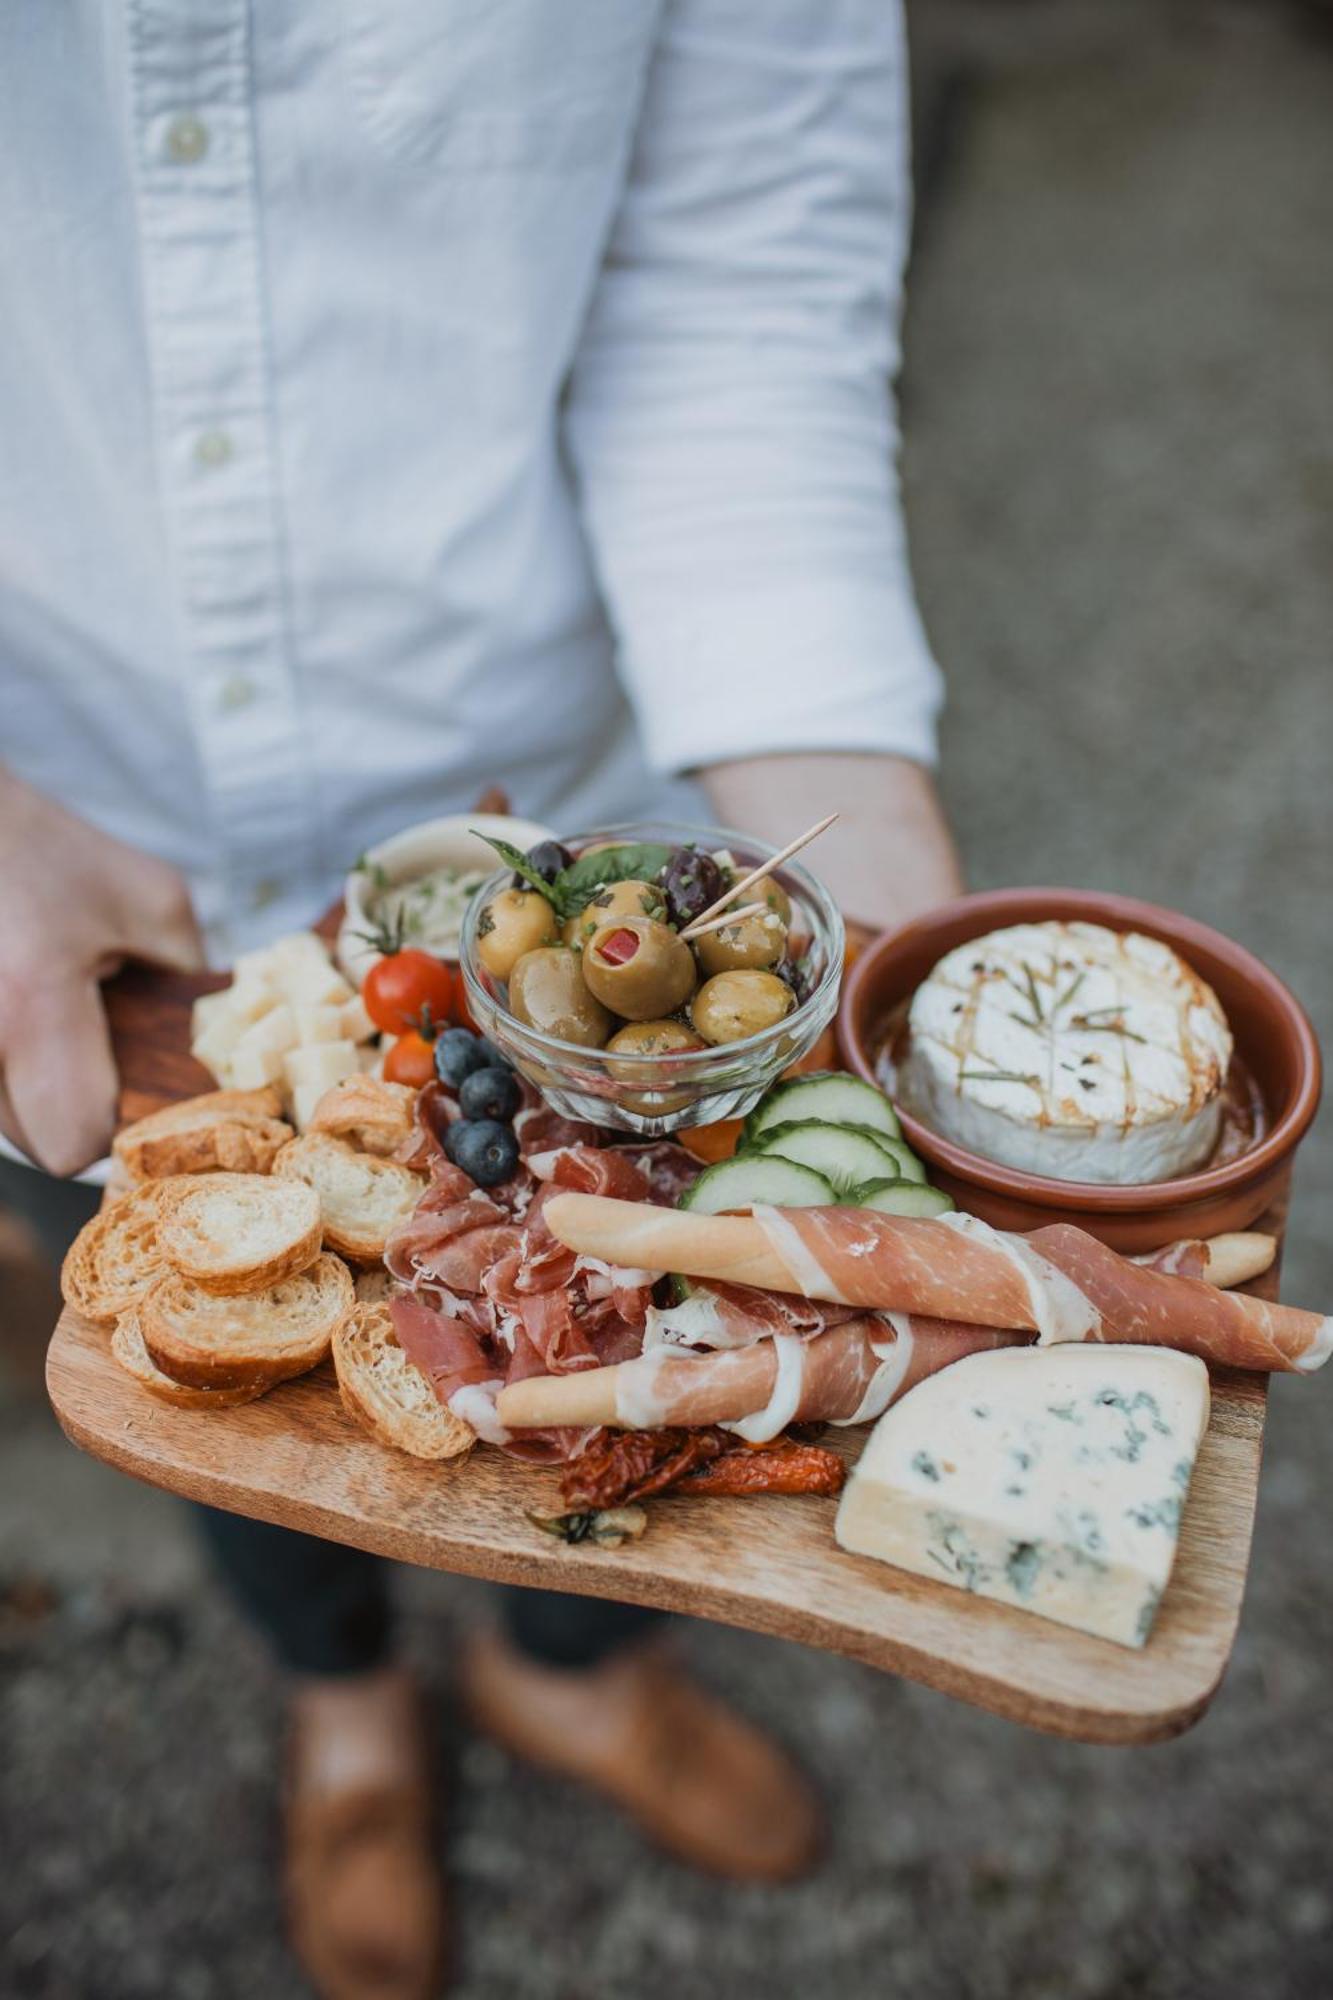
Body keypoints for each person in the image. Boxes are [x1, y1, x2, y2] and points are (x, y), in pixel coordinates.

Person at [0, 3, 961, 1994]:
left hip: (552, 776)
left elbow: (734, 281)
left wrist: (862, 851)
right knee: (213, 1347)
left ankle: (573, 1676)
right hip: (58, 865)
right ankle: (341, 1708)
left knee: (638, 1355)